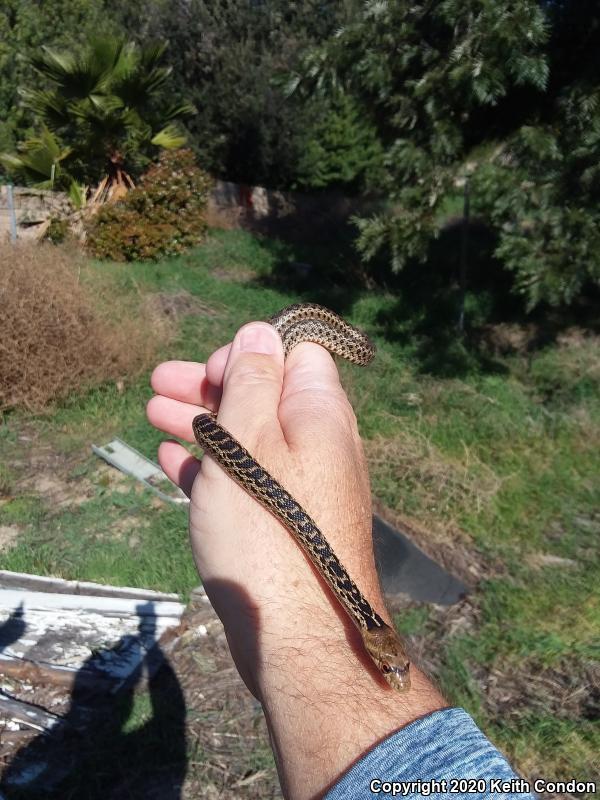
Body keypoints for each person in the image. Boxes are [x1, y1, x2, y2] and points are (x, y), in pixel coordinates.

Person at [146, 320, 536, 800]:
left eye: (391, 671)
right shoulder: (368, 628)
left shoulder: (371, 632)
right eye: (397, 668)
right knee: (217, 413)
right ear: (385, 646)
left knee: (214, 416)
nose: (393, 676)